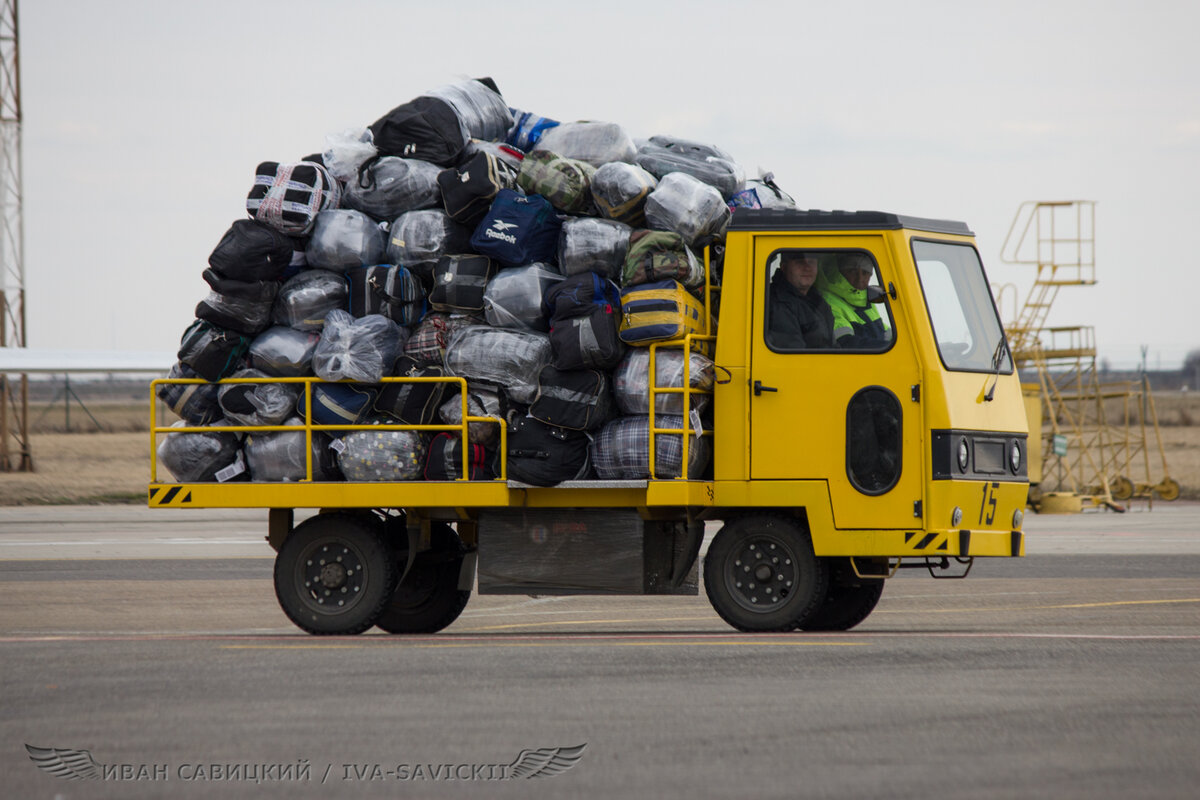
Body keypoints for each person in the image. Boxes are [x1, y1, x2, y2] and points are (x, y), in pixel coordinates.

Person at [816, 253, 890, 349]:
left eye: (865, 273)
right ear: (838, 272)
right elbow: (846, 343)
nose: (860, 279)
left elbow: (886, 333)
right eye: (852, 271)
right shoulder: (827, 301)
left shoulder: (863, 298)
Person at [767, 252, 834, 349]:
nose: (807, 268)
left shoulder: (816, 299)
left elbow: (832, 345)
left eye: (811, 262)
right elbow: (794, 353)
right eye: (800, 262)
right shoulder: (778, 304)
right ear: (784, 267)